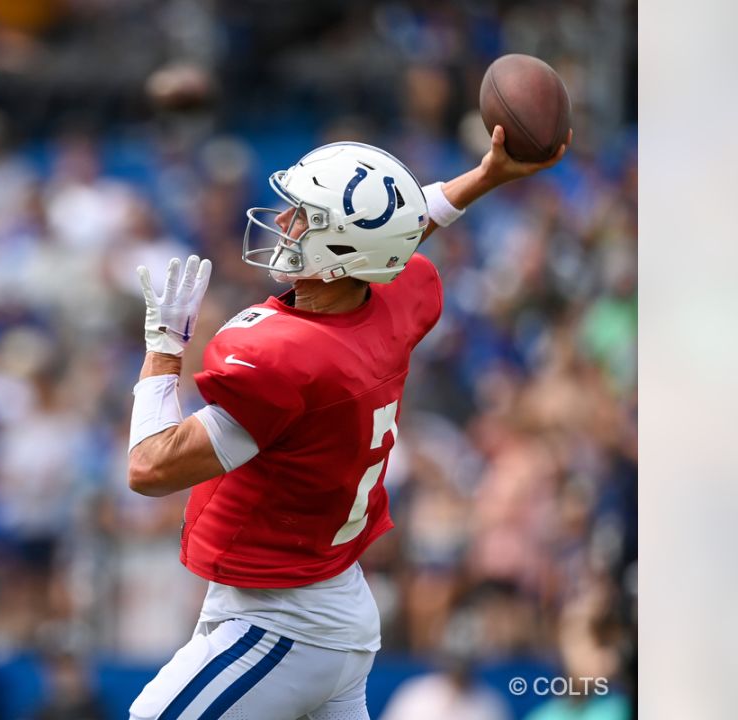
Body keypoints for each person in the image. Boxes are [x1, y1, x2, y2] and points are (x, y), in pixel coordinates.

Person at [124, 125, 570, 720]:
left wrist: (163, 347)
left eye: (304, 218)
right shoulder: (392, 300)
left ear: (340, 255)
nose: (285, 225)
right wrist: (484, 177)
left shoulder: (286, 358)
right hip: (329, 599)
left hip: (283, 621)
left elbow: (149, 467)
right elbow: (400, 234)